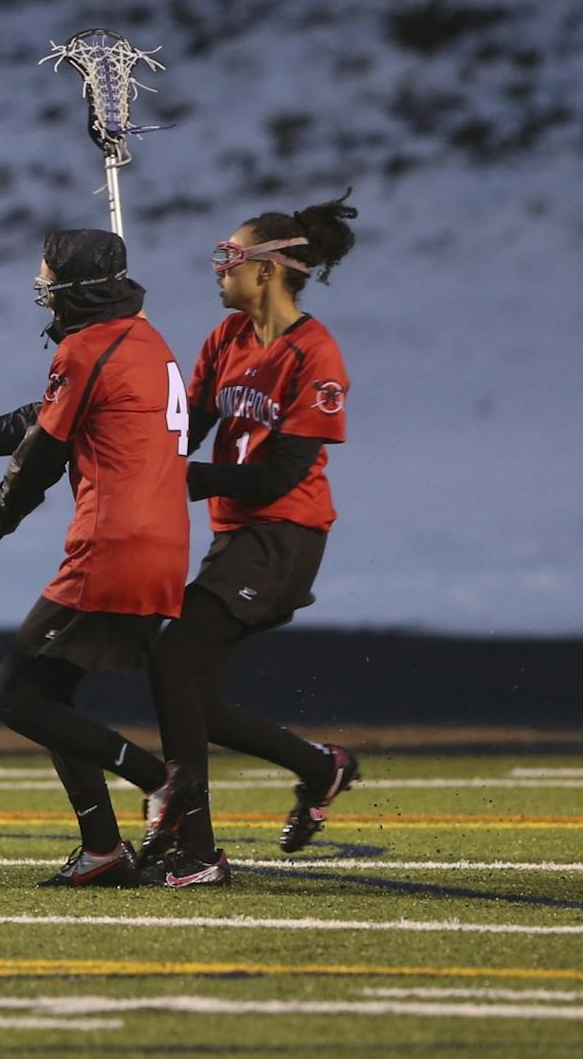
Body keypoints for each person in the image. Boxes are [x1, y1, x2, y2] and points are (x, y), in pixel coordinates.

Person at [0, 230, 189, 888]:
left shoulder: (86, 349)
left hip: (113, 544)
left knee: (15, 694)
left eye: (50, 277)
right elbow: (39, 419)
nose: (42, 289)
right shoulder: (143, 339)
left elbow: (42, 454)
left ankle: (156, 780)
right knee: (52, 696)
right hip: (163, 545)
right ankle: (103, 848)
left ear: (78, 286)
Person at [138, 192, 363, 885]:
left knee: (172, 657)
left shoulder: (315, 354)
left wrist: (187, 479)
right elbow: (189, 428)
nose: (219, 268)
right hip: (236, 537)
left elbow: (279, 474)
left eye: (231, 257)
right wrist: (140, 443)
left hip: (283, 535)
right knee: (192, 701)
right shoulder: (225, 341)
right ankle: (318, 766)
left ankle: (191, 836)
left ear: (268, 270)